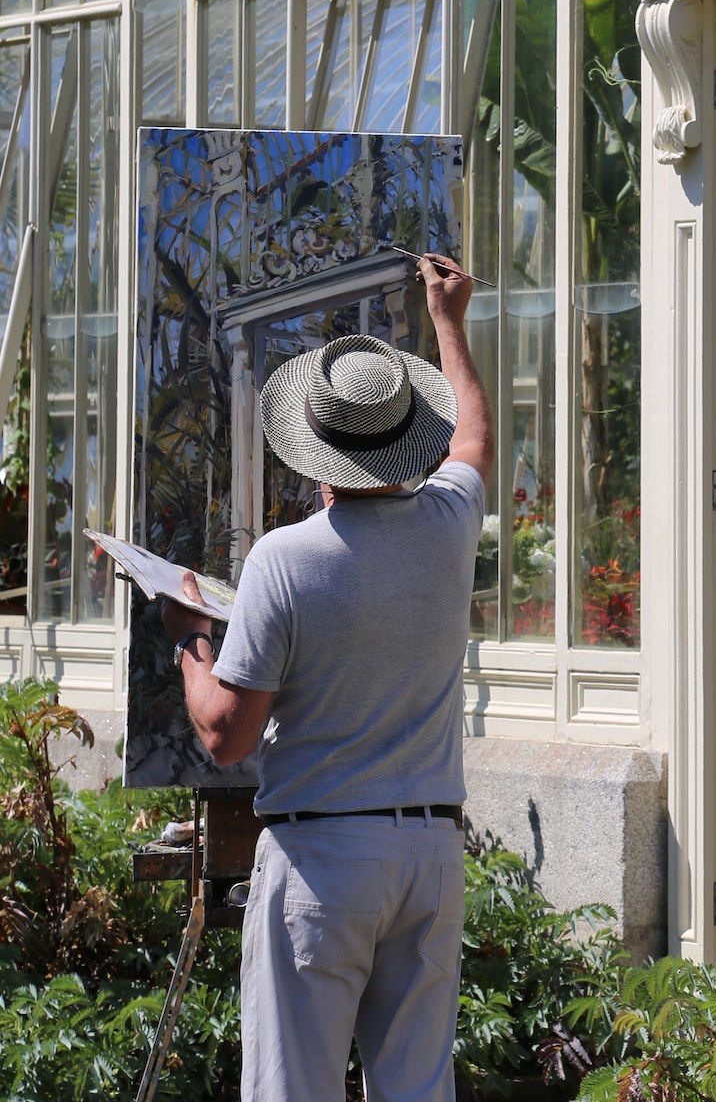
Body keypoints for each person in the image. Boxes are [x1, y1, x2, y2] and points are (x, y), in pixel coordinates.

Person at [163, 253, 493, 1102]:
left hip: (320, 857)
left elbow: (225, 734)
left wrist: (191, 641)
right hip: (428, 851)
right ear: (406, 435)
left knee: (292, 1089)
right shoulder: (451, 527)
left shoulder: (286, 559)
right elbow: (476, 441)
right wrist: (448, 321)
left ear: (315, 451)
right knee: (417, 1090)